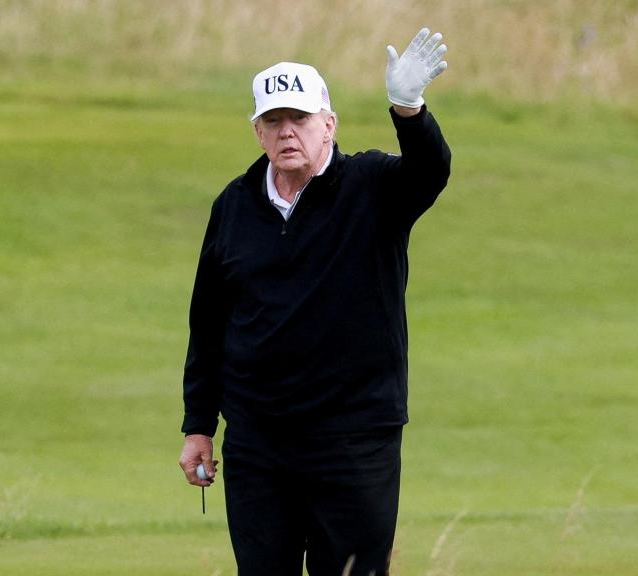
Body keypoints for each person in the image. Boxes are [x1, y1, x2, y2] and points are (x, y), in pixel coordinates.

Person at [179, 27, 451, 576]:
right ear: (257, 132)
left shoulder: (373, 186)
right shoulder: (234, 205)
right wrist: (199, 425)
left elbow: (430, 172)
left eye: (300, 118)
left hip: (354, 440)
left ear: (329, 124)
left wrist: (408, 109)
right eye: (274, 120)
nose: (287, 132)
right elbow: (209, 321)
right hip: (258, 442)